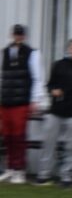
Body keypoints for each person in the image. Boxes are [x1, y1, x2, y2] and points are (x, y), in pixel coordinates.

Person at [36, 37, 72, 188]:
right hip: (56, 111)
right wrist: (53, 91)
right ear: (69, 49)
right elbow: (50, 85)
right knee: (48, 142)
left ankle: (66, 176)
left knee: (71, 146)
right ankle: (43, 175)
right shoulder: (58, 65)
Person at [0, 24, 44, 184]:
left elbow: (37, 78)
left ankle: (20, 170)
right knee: (7, 136)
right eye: (16, 34)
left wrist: (36, 100)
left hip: (21, 101)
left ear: (24, 36)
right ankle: (10, 168)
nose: (18, 37)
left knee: (19, 136)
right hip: (5, 100)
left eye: (20, 34)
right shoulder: (4, 52)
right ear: (12, 35)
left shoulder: (32, 53)